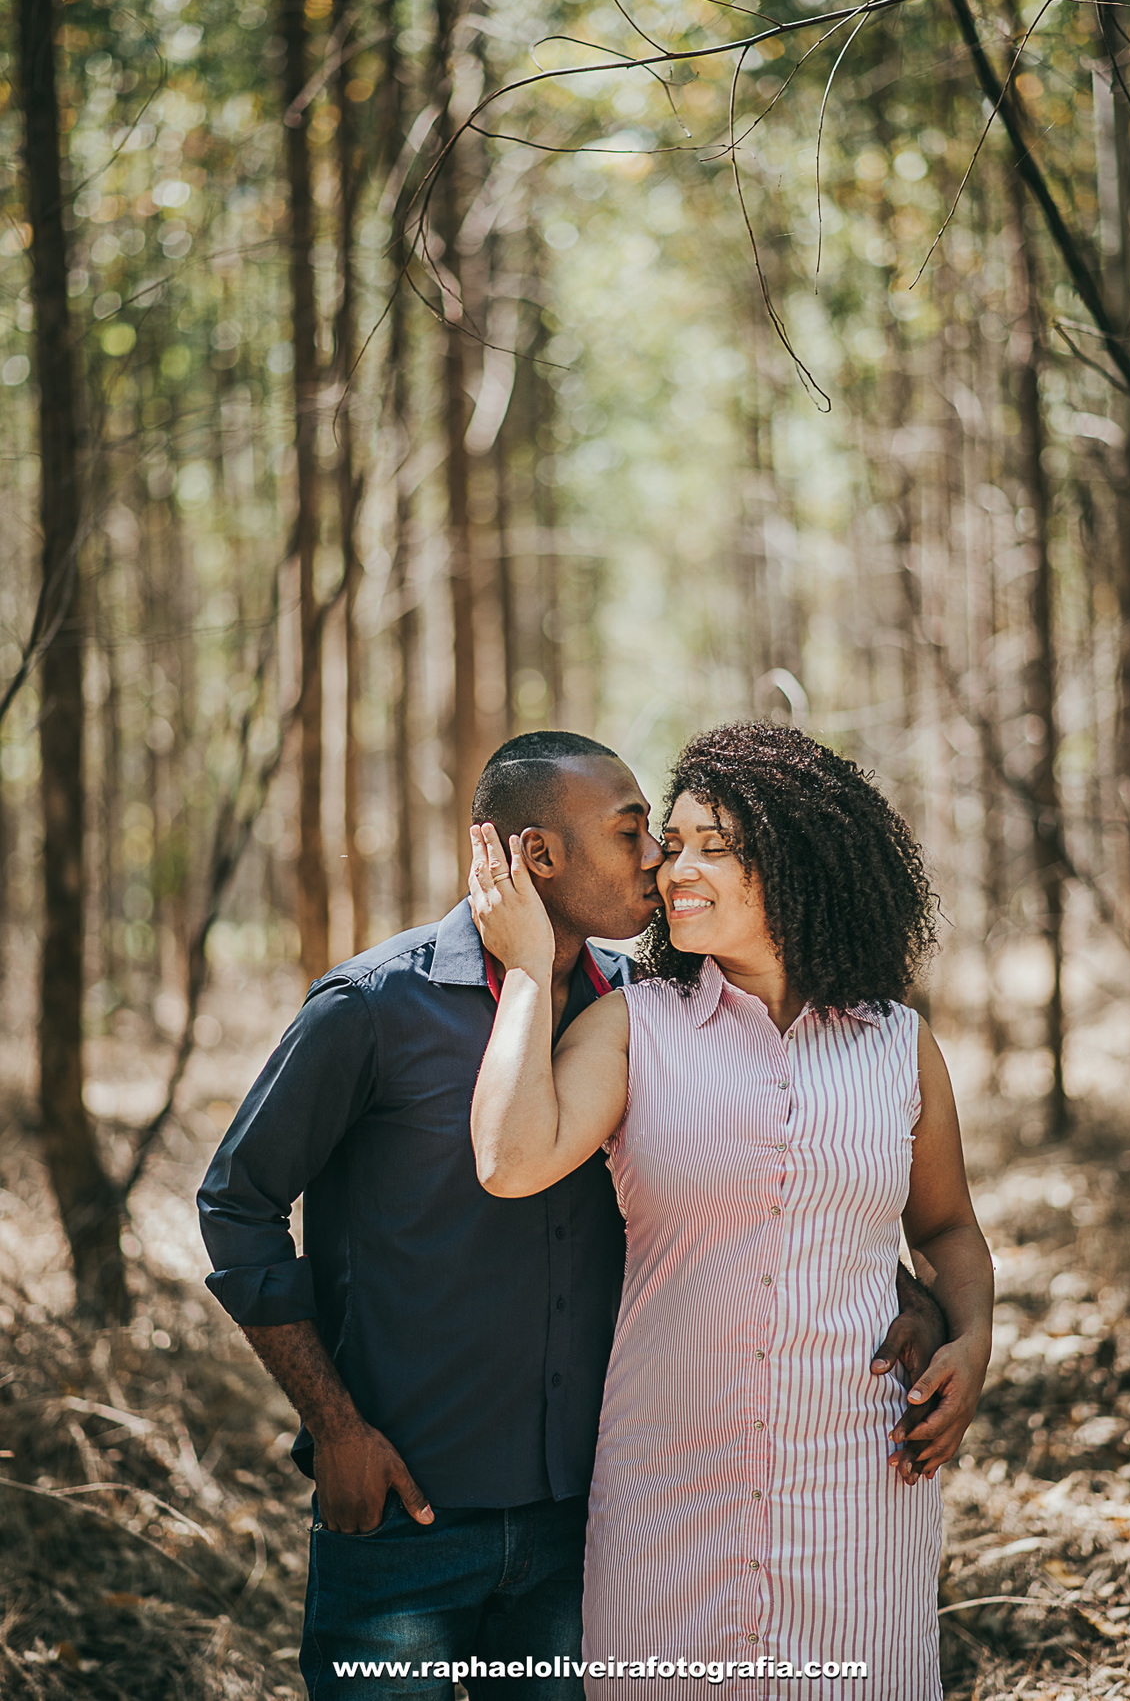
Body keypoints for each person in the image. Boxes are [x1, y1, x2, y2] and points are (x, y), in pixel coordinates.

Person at [197, 730, 949, 1701]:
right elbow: (236, 1201)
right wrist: (334, 1426)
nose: (659, 860)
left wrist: (903, 1294)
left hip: (580, 1522)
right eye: (635, 831)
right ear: (538, 856)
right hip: (404, 1514)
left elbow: (752, 1191)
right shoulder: (375, 1008)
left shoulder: (646, 1011)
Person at [469, 722, 994, 1701]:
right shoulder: (634, 1026)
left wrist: (973, 1339)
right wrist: (532, 971)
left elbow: (948, 1229)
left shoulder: (897, 1046)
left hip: (859, 1491)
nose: (677, 867)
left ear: (799, 861)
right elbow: (509, 1157)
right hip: (671, 1495)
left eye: (718, 843)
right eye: (674, 841)